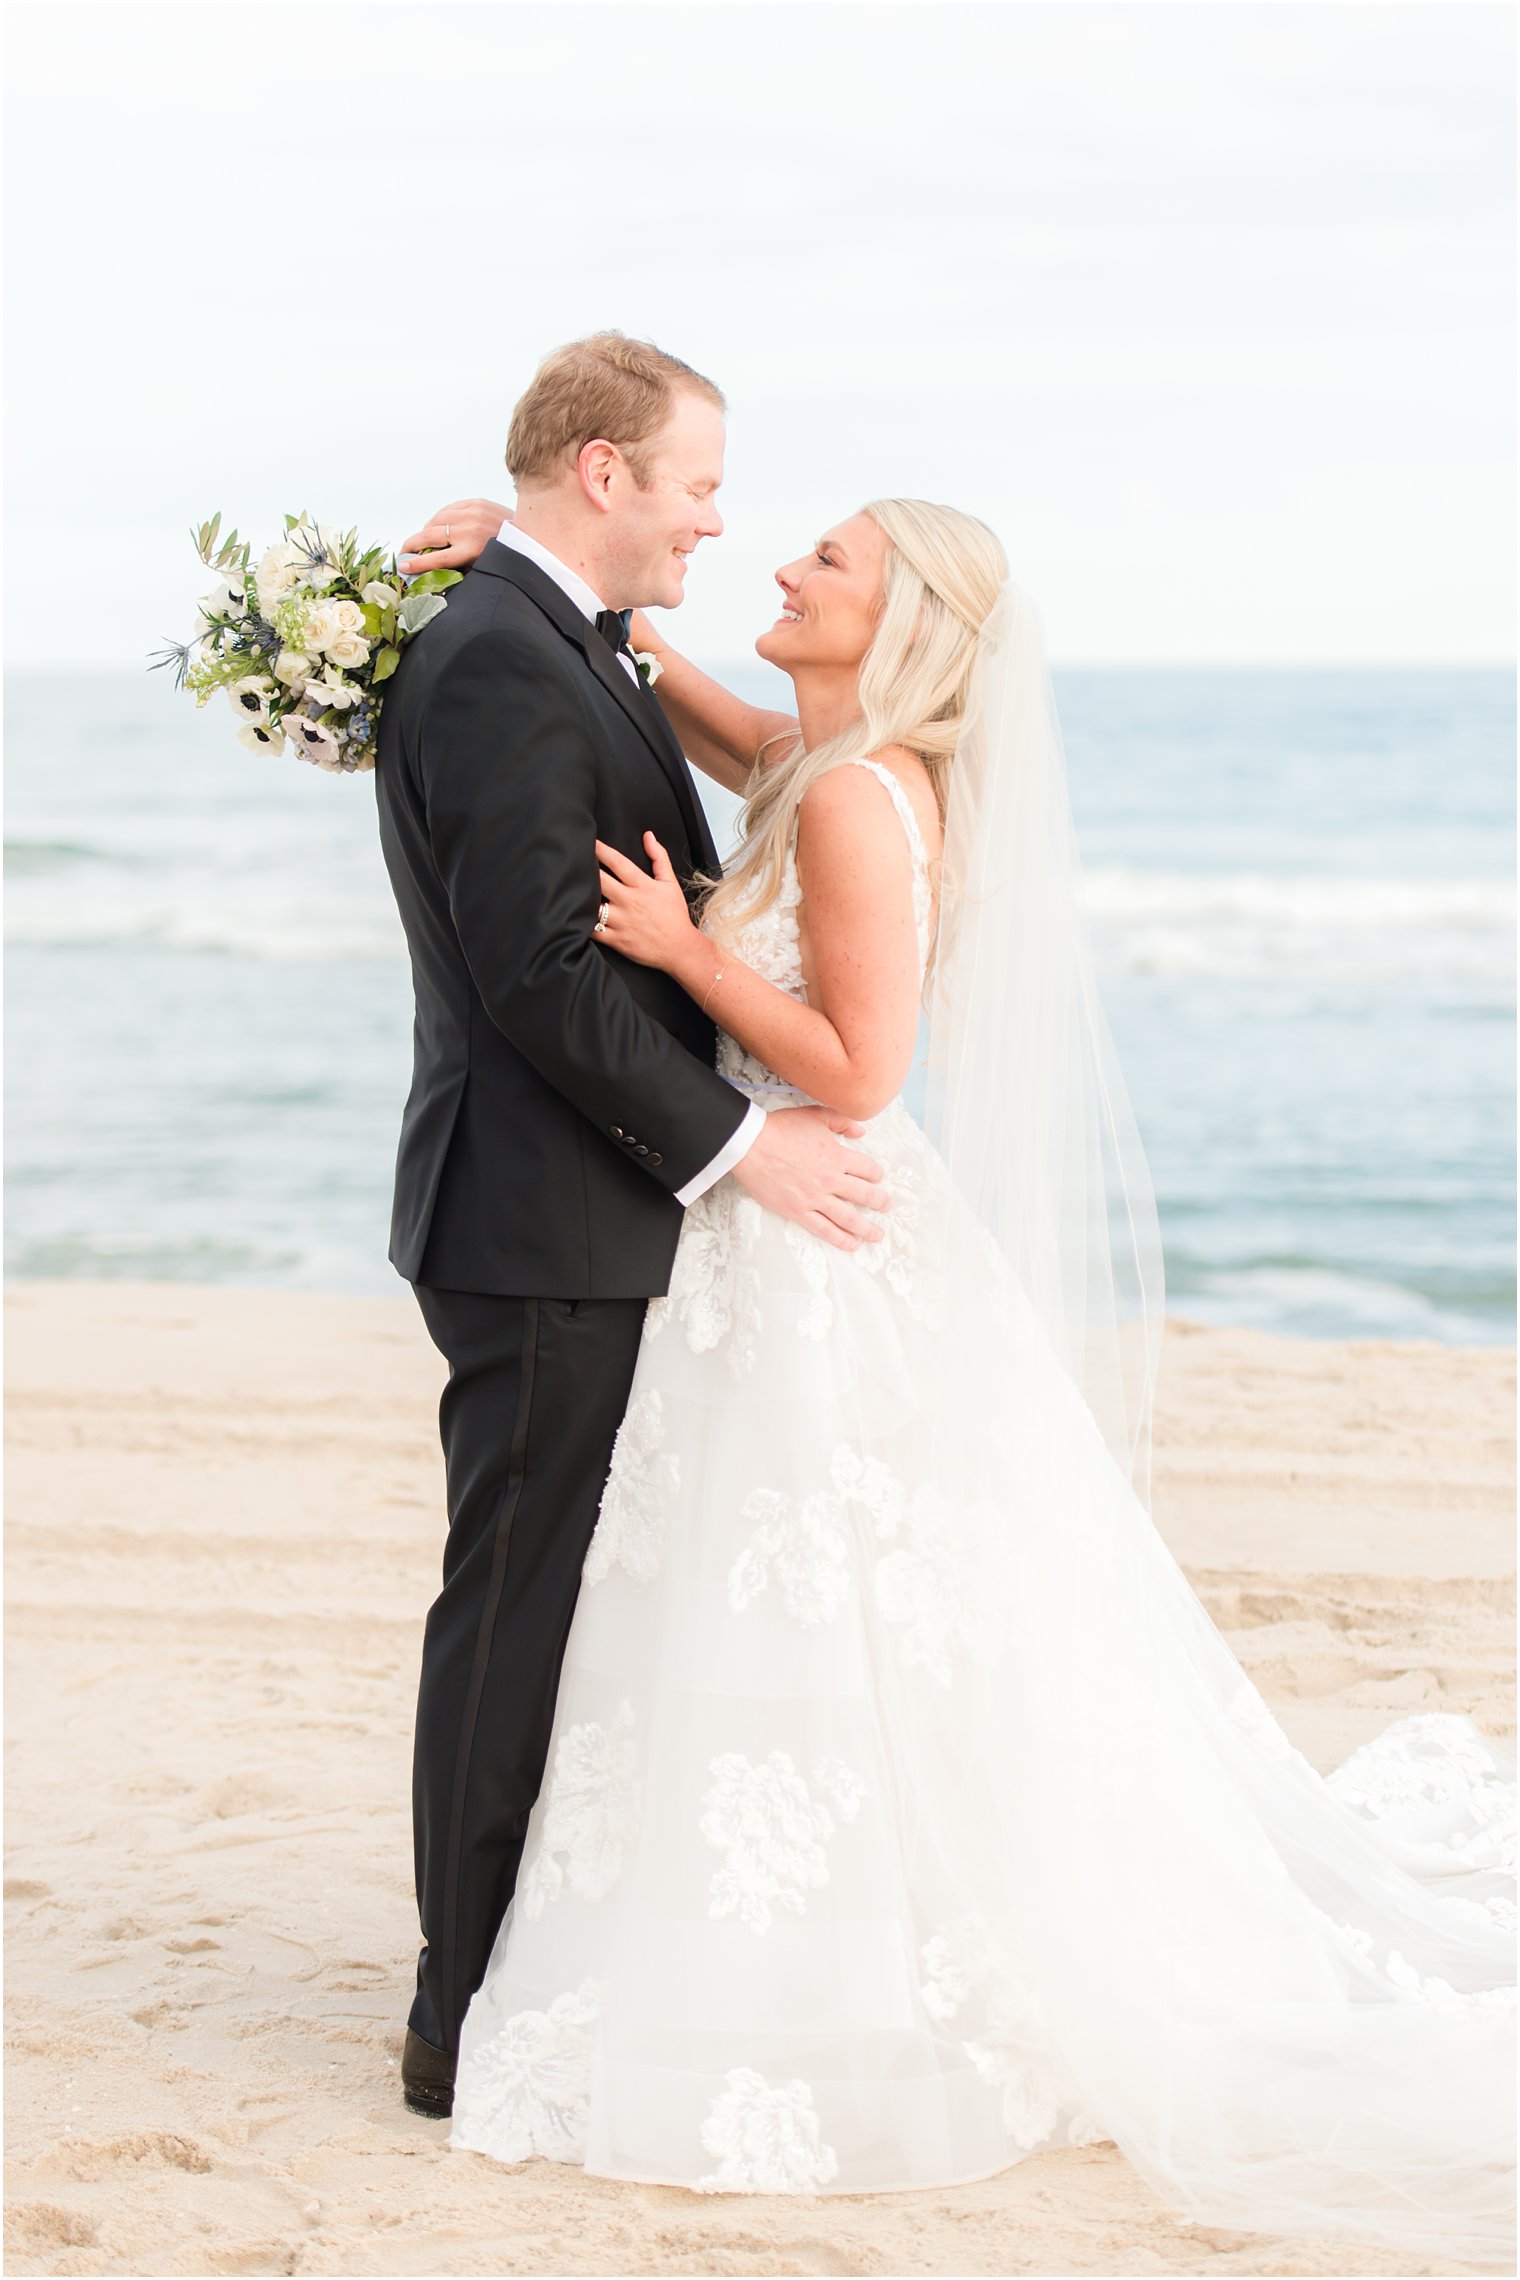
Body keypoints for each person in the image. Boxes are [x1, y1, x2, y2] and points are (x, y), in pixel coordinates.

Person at [399, 487, 1514, 2261]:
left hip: (815, 1215)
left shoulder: (851, 797)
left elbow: (863, 1070)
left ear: (900, 617)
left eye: (824, 559)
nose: (780, 559)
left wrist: (689, 953)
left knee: (830, 1608)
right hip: (785, 1242)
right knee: (839, 1616)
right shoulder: (829, 758)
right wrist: (559, 595)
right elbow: (719, 717)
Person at [373, 333, 891, 2126]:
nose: (715, 519)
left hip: (583, 1212)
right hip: (542, 1222)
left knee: (566, 1609)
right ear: (603, 474)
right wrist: (739, 1148)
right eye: (692, 485)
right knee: (514, 1615)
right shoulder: (503, 658)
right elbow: (532, 970)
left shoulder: (553, 641)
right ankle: (459, 2013)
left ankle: (518, 1960)